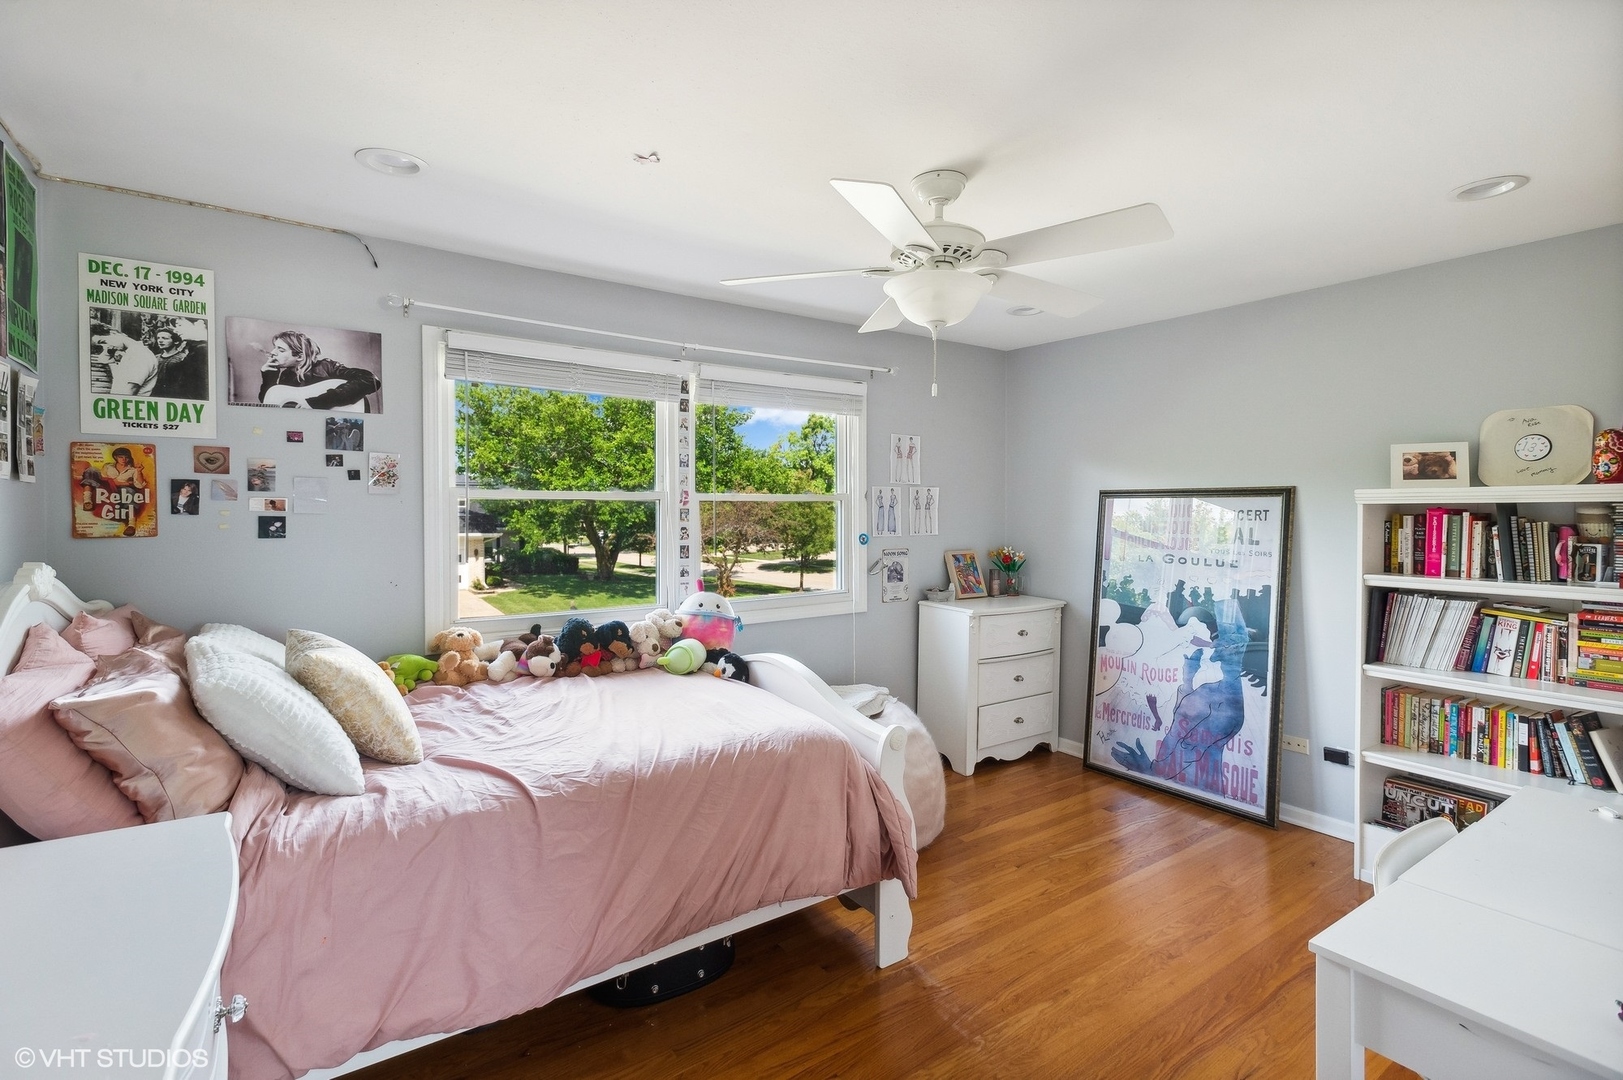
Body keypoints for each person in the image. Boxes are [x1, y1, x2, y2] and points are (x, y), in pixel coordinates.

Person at [258, 330, 379, 410]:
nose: (273, 353)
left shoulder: (327, 367)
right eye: (275, 348)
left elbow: (370, 380)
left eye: (281, 350)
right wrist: (269, 376)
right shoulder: (286, 375)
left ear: (299, 356)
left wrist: (316, 403)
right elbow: (270, 403)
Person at [90, 325, 159, 397]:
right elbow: (104, 360)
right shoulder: (131, 352)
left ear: (114, 334)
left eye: (103, 342)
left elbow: (132, 388)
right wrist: (109, 354)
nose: (106, 346)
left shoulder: (140, 354)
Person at [152, 326, 209, 400]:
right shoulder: (155, 358)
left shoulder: (183, 358)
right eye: (158, 338)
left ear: (176, 341)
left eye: (165, 338)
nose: (160, 341)